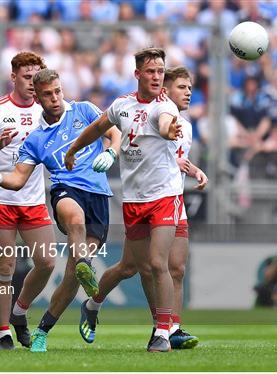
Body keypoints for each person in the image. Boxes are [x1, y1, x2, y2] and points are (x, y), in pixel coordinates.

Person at [0, 68, 121, 353]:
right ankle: (84, 264)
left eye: (57, 91)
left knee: (69, 277)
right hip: (66, 191)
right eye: (47, 95)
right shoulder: (36, 139)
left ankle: (43, 329)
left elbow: (114, 133)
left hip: (99, 196)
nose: (54, 98)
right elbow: (17, 180)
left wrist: (111, 152)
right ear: (39, 99)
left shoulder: (85, 110)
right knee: (74, 219)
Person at [76, 66, 208, 350]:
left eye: (190, 87)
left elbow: (176, 159)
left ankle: (169, 329)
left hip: (170, 198)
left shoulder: (185, 125)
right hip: (141, 198)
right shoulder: (152, 113)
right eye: (182, 87)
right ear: (166, 92)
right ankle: (93, 304)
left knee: (176, 268)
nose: (188, 92)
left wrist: (195, 170)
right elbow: (148, 144)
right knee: (131, 267)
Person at [0, 52, 56, 350]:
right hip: (1, 199)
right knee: (5, 267)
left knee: (46, 262)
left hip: (33, 200)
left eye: (37, 76)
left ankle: (19, 311)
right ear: (14, 77)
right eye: (27, 77)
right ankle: (4, 331)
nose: (33, 83)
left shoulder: (49, 110)